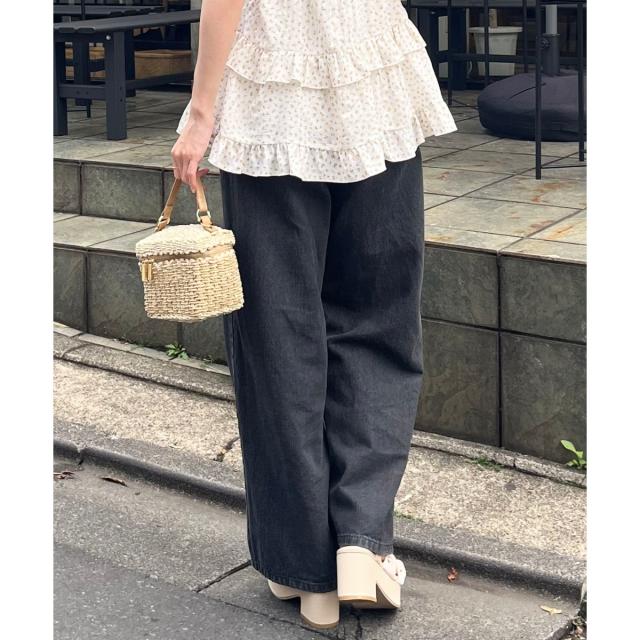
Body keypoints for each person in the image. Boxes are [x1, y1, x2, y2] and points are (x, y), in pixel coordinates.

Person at [172, 0, 456, 629]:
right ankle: (361, 542)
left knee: (278, 334)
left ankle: (305, 568)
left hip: (273, 93)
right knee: (378, 323)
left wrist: (201, 110)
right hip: (373, 77)